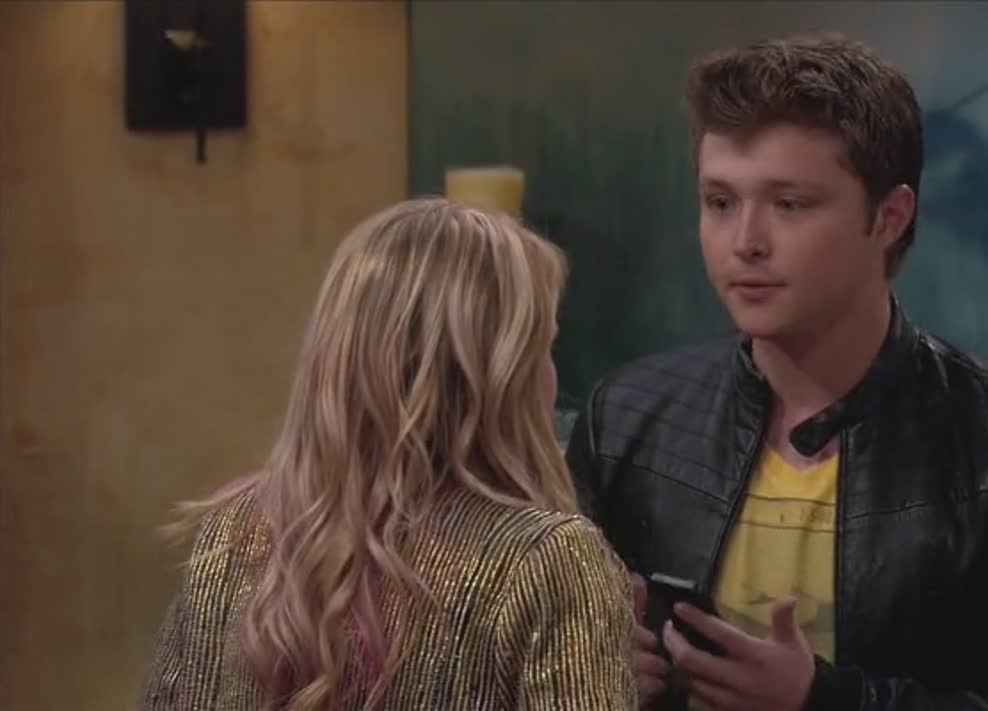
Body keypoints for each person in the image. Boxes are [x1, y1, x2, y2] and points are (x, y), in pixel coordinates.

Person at [565, 34, 988, 710]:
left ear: (889, 217)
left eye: (790, 204)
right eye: (720, 202)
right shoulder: (625, 420)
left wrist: (826, 699)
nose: (745, 241)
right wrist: (595, 672)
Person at [140, 198, 637, 710]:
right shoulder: (549, 561)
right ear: (495, 377)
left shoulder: (234, 532)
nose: (553, 380)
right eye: (544, 350)